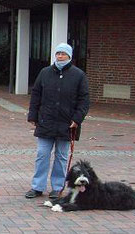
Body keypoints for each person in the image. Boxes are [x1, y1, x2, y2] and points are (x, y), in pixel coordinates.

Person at [25, 43, 90, 199]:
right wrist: (33, 115)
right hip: (46, 121)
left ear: (69, 56)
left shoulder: (79, 75)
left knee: (61, 157)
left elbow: (84, 100)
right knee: (42, 154)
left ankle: (57, 187)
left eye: (63, 54)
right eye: (58, 53)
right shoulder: (45, 72)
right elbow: (36, 94)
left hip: (67, 124)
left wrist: (77, 119)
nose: (60, 56)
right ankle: (37, 186)